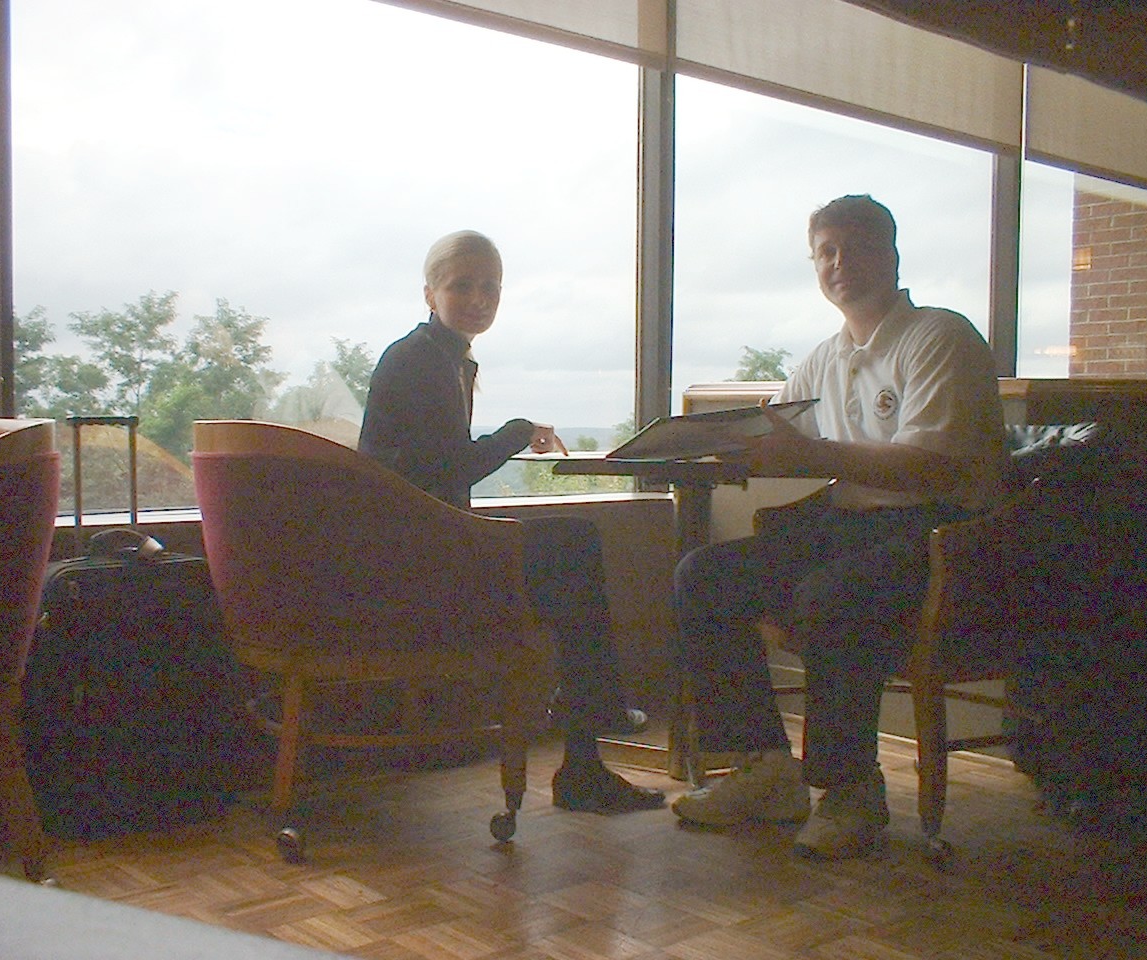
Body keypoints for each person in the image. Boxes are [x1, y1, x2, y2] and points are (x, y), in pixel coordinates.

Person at [670, 195, 1008, 858]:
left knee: (831, 595)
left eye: (856, 247)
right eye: (826, 251)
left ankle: (850, 789)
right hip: (850, 526)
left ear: (893, 256)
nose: (839, 263)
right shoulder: (825, 358)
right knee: (704, 576)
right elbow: (774, 433)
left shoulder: (940, 337)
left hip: (942, 535)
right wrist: (693, 445)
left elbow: (931, 469)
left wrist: (812, 455)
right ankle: (766, 770)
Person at [359, 229, 664, 814]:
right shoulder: (422, 361)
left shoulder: (435, 357)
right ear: (429, 293)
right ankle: (590, 728)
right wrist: (518, 431)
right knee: (571, 547)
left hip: (413, 545)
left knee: (567, 549)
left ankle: (588, 725)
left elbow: (437, 469)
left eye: (490, 288)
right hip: (414, 560)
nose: (479, 299)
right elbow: (452, 469)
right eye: (462, 286)